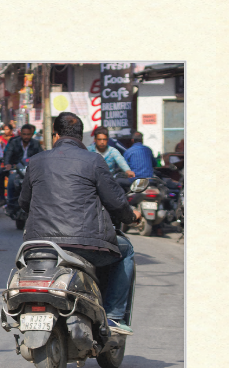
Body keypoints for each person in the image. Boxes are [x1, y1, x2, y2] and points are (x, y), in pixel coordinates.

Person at [19, 112, 142, 335]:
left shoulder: (35, 161)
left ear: (55, 135)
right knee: (126, 250)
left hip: (38, 247)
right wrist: (132, 217)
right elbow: (115, 202)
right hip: (86, 246)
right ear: (82, 138)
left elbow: (24, 202)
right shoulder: (94, 160)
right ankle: (113, 317)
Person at [0, 123, 43, 216]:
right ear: (20, 134)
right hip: (16, 169)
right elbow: (8, 153)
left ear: (32, 134)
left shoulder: (35, 144)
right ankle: (9, 203)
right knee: (5, 178)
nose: (26, 136)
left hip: (30, 170)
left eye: (28, 134)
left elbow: (41, 156)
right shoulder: (14, 142)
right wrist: (7, 164)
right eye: (24, 134)